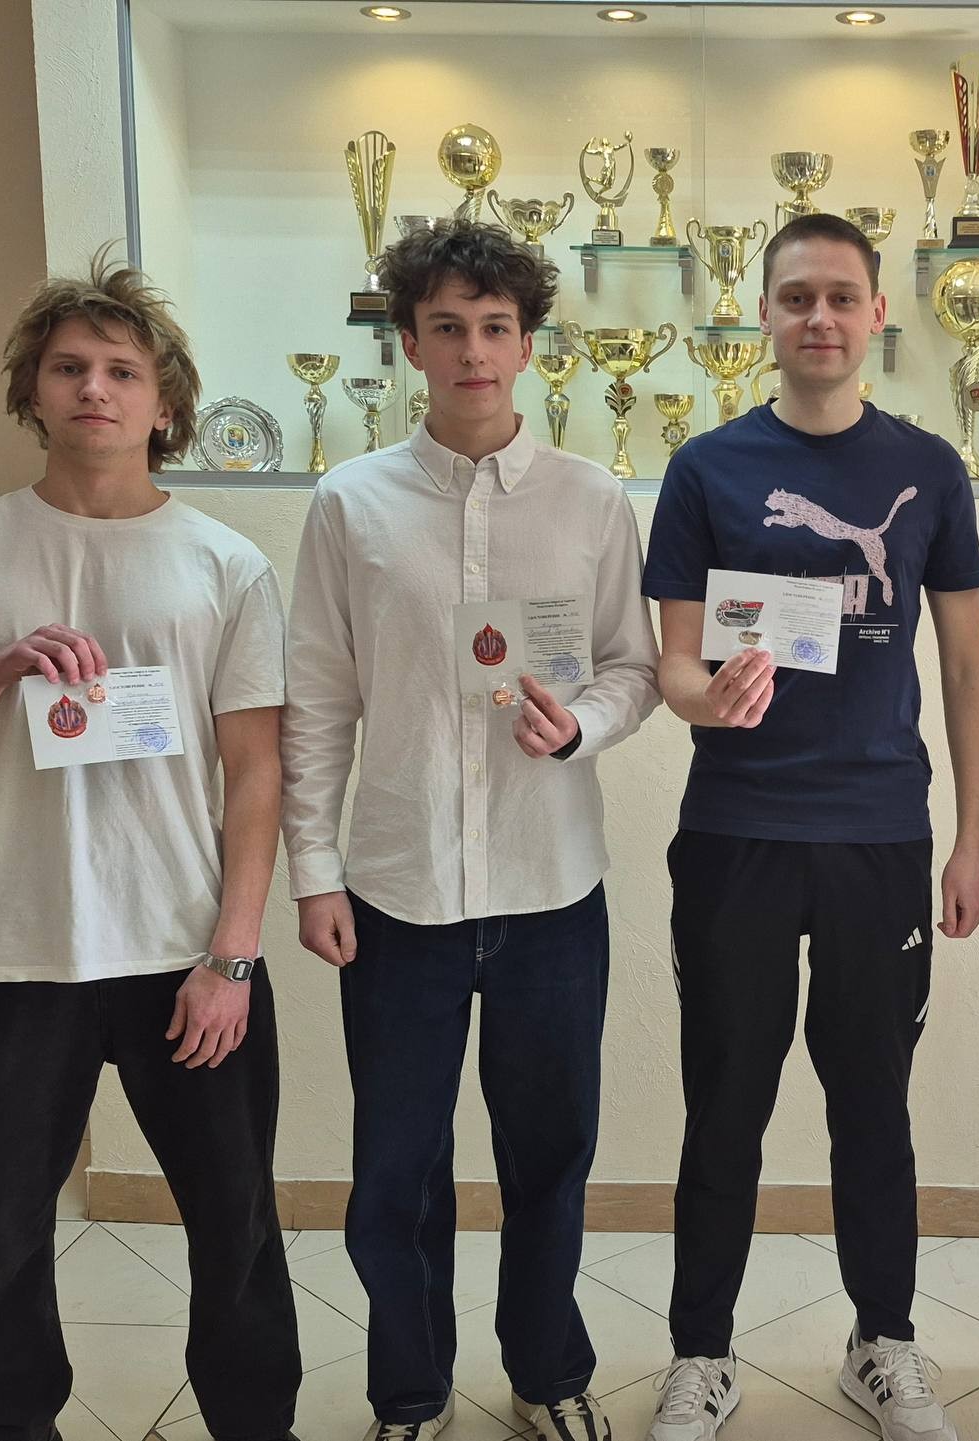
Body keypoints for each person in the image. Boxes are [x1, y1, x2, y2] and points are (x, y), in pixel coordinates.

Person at [0, 256, 301, 1441]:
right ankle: (10, 1424)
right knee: (2, 1234)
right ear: (33, 391)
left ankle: (253, 1424)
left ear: (165, 404)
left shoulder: (225, 563)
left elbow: (256, 770)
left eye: (122, 370)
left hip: (184, 956)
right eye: (69, 368)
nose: (95, 390)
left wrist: (233, 956)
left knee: (235, 1228)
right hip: (17, 954)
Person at [282, 219, 661, 1441]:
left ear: (528, 344)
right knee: (396, 1172)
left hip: (551, 888)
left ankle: (546, 1372)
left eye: (495, 327)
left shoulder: (591, 500)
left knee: (549, 1159)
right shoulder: (350, 503)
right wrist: (314, 869)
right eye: (446, 327)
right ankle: (410, 1389)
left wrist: (582, 726)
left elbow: (634, 667)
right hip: (398, 894)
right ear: (410, 343)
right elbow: (317, 698)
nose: (473, 352)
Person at [639, 212, 979, 1441]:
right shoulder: (707, 469)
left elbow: (965, 666)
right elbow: (674, 662)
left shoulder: (929, 468)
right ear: (765, 315)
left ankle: (882, 1342)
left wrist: (966, 841)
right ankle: (701, 1353)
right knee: (725, 1103)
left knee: (872, 1107)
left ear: (877, 314)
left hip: (878, 837)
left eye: (842, 296)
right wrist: (705, 698)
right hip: (735, 832)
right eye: (797, 297)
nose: (820, 318)